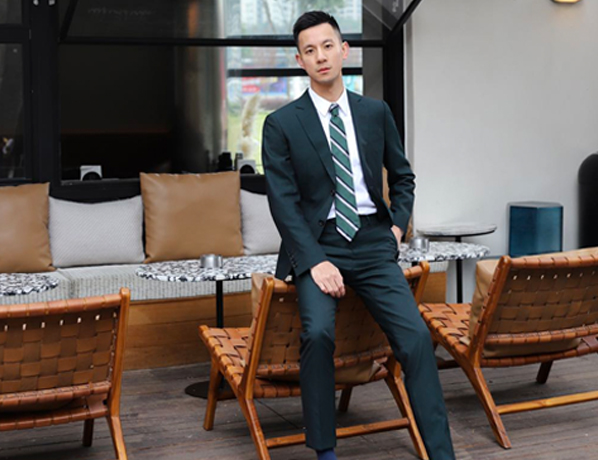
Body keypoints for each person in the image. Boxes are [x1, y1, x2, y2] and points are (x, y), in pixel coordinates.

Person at [261, 11, 456, 460]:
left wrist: (395, 229)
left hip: (373, 242)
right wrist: (314, 261)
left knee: (416, 339)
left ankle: (441, 453)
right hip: (318, 245)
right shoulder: (282, 124)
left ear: (344, 50)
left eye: (328, 46)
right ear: (300, 60)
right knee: (317, 335)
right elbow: (283, 204)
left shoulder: (374, 113)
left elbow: (402, 178)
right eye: (310, 50)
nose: (321, 56)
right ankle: (325, 452)